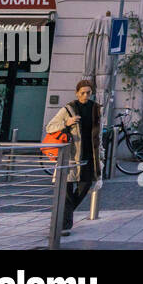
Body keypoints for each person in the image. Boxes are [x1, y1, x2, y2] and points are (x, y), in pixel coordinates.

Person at [44, 79, 101, 235]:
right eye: (82, 92)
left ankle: (61, 217)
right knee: (67, 193)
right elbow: (49, 127)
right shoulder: (69, 109)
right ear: (77, 93)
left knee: (85, 186)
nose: (85, 95)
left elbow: (98, 135)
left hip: (89, 157)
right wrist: (66, 122)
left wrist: (100, 155)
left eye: (88, 92)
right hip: (69, 158)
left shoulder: (95, 109)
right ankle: (63, 226)